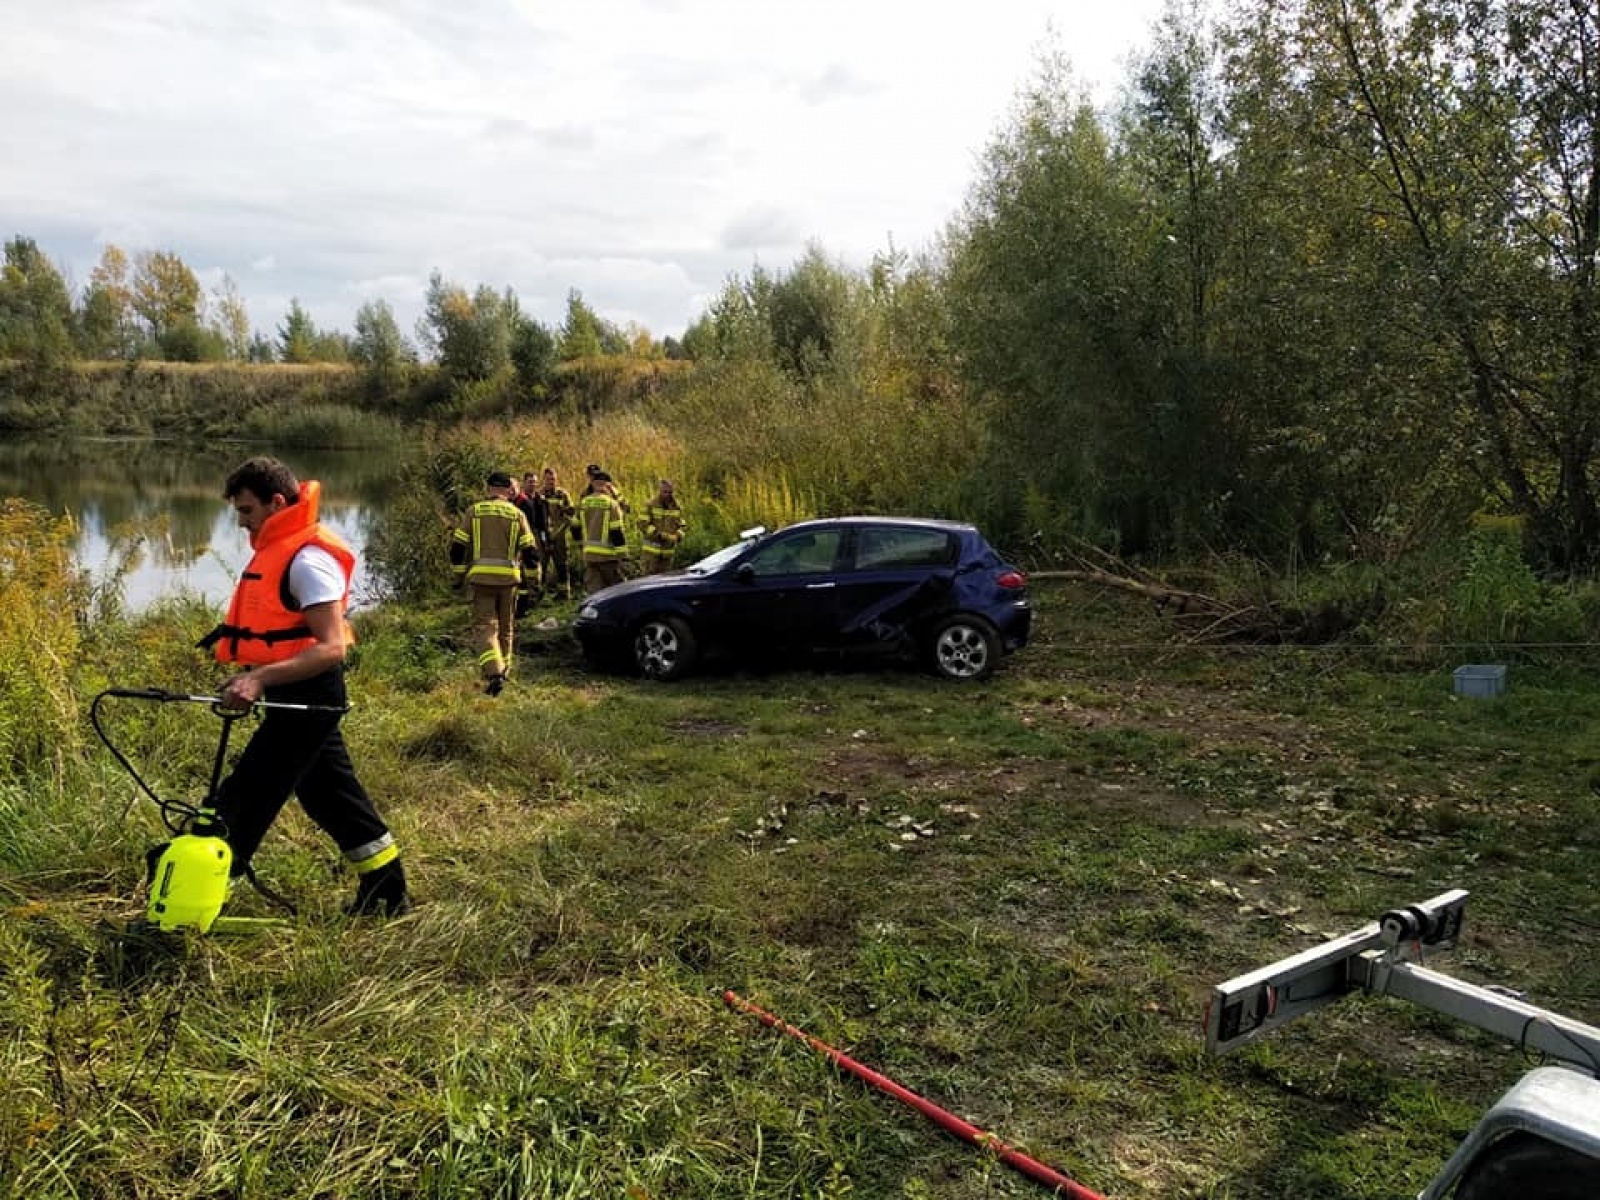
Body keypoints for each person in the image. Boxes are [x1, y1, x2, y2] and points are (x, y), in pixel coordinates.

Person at [197, 456, 409, 917]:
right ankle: (387, 887)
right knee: (328, 795)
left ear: (277, 503)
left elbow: (332, 647)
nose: (241, 523)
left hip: (312, 697)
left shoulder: (308, 559)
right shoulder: (281, 549)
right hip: (291, 694)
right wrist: (257, 676)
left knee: (246, 794)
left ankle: (194, 903)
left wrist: (258, 677)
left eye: (247, 512)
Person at [451, 470, 538, 694]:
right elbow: (530, 551)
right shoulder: (517, 514)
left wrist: (458, 576)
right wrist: (534, 581)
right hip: (509, 580)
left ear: (488, 488)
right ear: (508, 489)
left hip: (481, 579)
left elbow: (457, 548)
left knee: (485, 627)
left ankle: (494, 673)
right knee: (506, 628)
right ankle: (504, 672)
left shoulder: (474, 512)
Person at [578, 469, 628, 594]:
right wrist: (623, 556)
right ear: (608, 485)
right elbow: (616, 531)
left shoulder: (583, 502)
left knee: (595, 592)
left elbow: (575, 526)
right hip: (608, 556)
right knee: (617, 591)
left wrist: (582, 546)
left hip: (589, 555)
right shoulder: (611, 504)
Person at [537, 465, 575, 601]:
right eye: (548, 479)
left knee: (561, 565)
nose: (550, 482)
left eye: (553, 479)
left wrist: (564, 510)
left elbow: (571, 512)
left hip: (559, 534)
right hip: (543, 535)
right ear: (543, 479)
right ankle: (538, 593)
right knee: (541, 564)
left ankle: (564, 593)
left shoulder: (562, 494)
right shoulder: (539, 495)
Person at [513, 471, 549, 613]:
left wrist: (546, 540)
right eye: (530, 481)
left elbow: (543, 522)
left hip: (535, 535)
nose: (532, 484)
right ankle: (528, 596)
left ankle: (535, 592)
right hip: (523, 536)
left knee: (536, 565)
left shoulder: (540, 499)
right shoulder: (520, 501)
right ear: (524, 483)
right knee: (525, 567)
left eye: (534, 481)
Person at [640, 478, 686, 574]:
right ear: (659, 490)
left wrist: (678, 535)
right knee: (648, 581)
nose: (667, 495)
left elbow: (681, 525)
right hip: (651, 552)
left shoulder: (677, 507)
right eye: (665, 492)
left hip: (667, 553)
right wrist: (659, 535)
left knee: (664, 582)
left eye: (670, 492)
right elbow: (642, 524)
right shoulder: (650, 505)